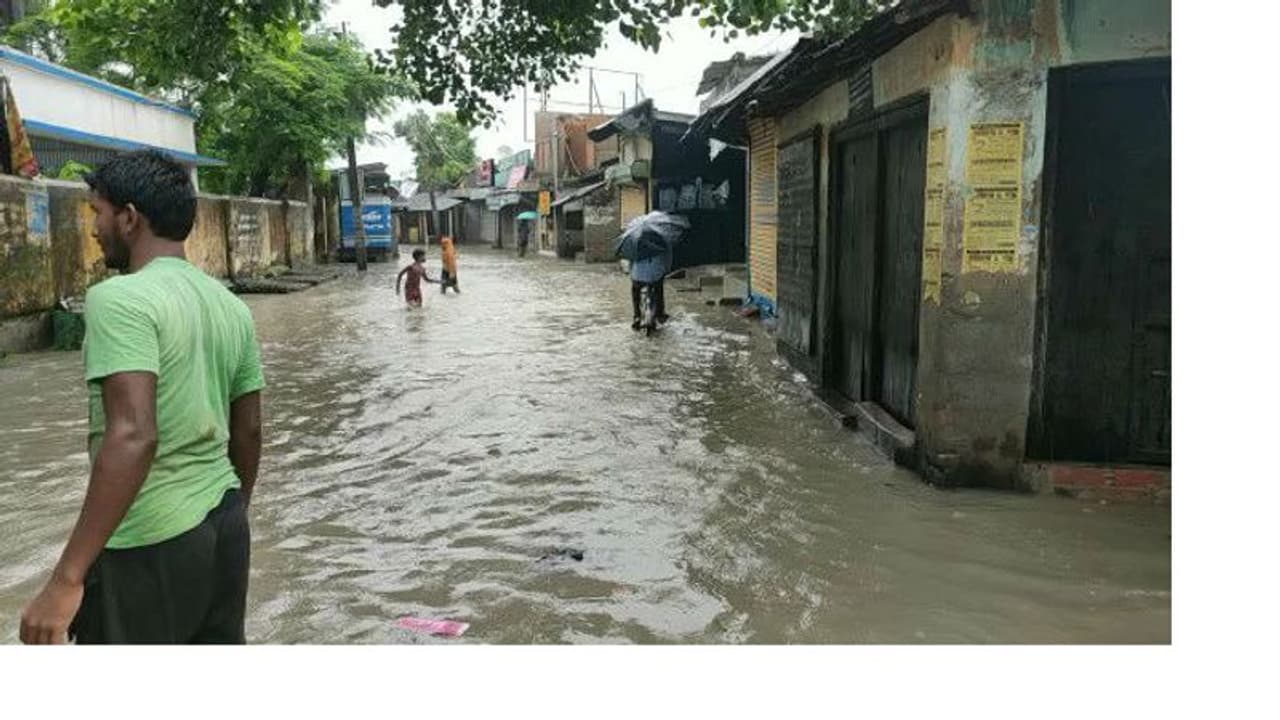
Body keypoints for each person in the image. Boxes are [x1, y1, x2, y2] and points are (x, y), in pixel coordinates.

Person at [19, 149, 265, 644]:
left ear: (129, 218)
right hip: (225, 526)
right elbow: (250, 429)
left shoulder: (120, 299)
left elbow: (132, 435)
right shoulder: (230, 306)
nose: (94, 228)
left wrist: (66, 579)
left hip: (149, 541)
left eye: (98, 212)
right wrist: (235, 510)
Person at [630, 244, 672, 330]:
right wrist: (666, 270)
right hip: (656, 275)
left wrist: (632, 272)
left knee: (635, 291)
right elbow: (667, 261)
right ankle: (660, 313)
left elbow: (631, 263)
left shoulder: (635, 245)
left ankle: (637, 316)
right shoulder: (662, 243)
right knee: (659, 289)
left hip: (638, 276)